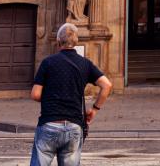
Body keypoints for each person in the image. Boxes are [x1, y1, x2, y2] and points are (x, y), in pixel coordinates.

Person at [29, 22, 112, 166]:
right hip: (74, 125)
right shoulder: (85, 64)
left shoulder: (48, 62)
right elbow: (107, 85)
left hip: (50, 123)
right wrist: (95, 109)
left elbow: (35, 94)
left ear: (58, 41)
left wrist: (52, 97)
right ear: (76, 42)